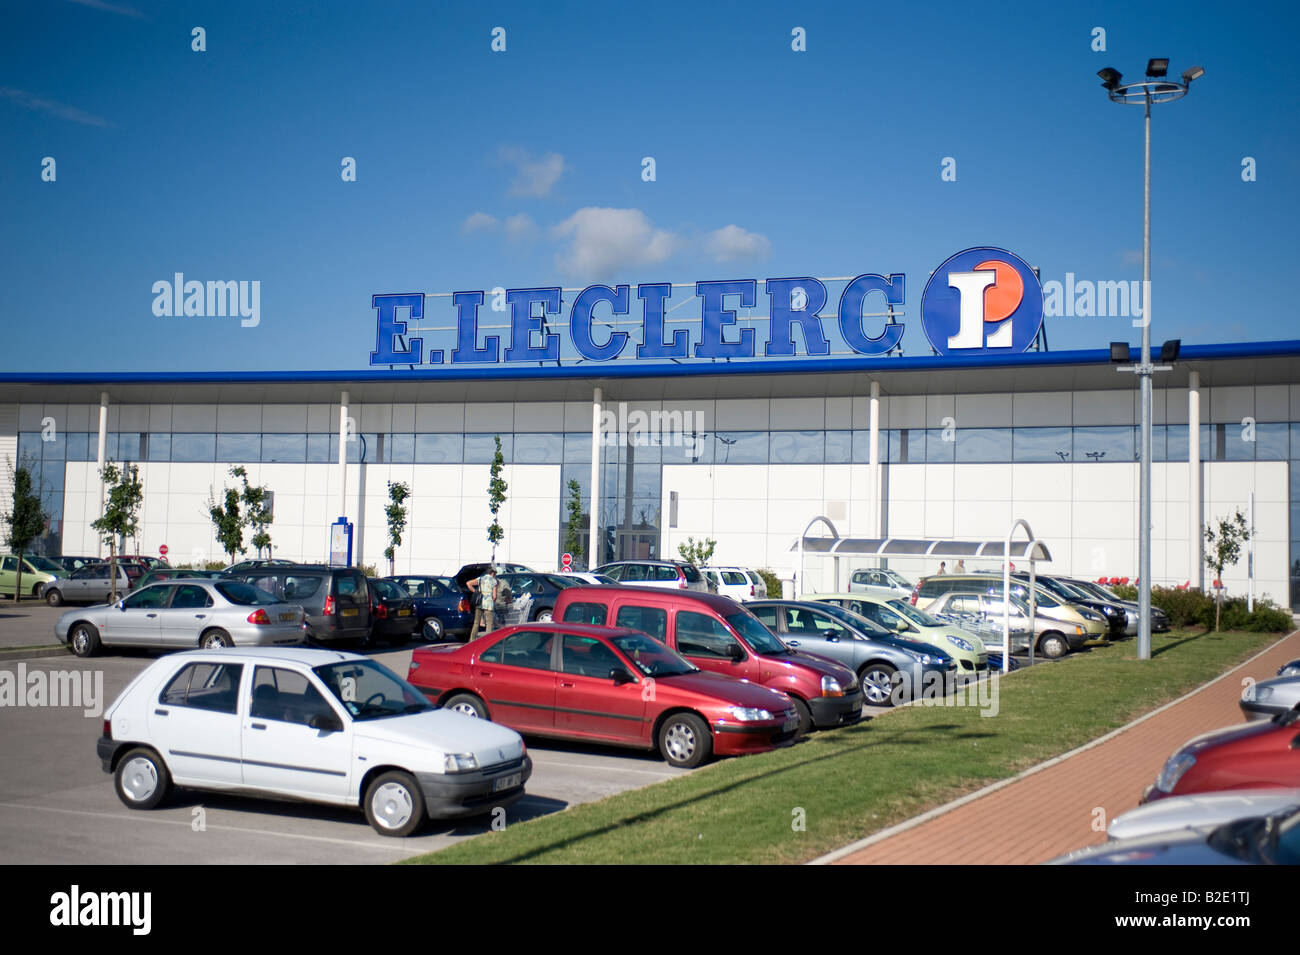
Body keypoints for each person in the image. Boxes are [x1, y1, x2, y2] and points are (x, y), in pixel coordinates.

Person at [470, 565, 498, 636]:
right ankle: (488, 641)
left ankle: (472, 640)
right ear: (493, 573)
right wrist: (493, 602)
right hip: (488, 604)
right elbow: (494, 596)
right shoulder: (494, 581)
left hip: (479, 602)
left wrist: (476, 592)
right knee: (489, 623)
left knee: (476, 623)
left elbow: (468, 583)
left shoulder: (480, 579)